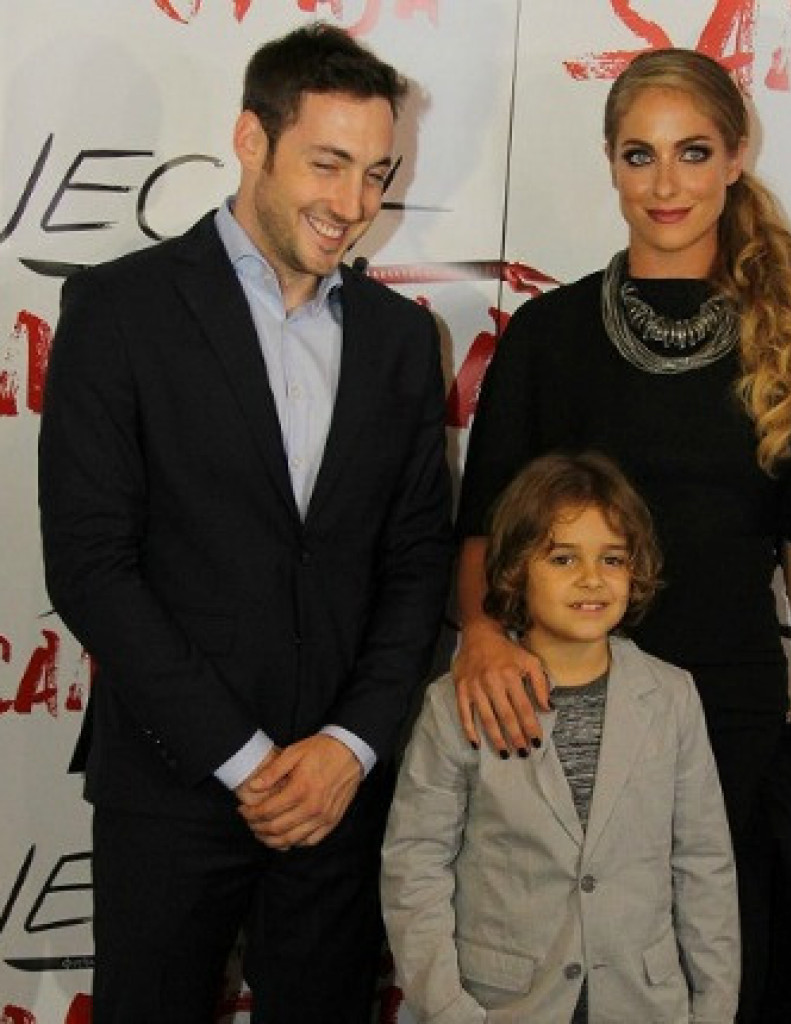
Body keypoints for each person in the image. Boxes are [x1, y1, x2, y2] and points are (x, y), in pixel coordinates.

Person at [453, 49, 791, 1021]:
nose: (665, 184)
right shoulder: (547, 337)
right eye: (638, 155)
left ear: (734, 157)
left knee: (712, 976)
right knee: (560, 975)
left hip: (729, 717)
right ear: (609, 162)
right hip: (558, 708)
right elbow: (483, 528)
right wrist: (479, 633)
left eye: (692, 152)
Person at [38, 23, 451, 1024]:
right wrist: (246, 760)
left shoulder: (402, 340)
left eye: (377, 173)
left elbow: (415, 562)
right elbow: (91, 566)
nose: (354, 204)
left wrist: (349, 745)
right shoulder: (119, 309)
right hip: (172, 783)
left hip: (337, 796)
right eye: (328, 163)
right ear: (250, 140)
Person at [382, 451, 739, 1024]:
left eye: (612, 559)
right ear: (514, 570)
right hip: (502, 1007)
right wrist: (448, 1009)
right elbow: (415, 866)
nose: (591, 578)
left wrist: (714, 1009)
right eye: (563, 557)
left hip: (643, 1004)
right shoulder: (455, 704)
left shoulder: (672, 696)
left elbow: (703, 864)